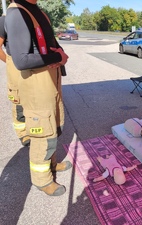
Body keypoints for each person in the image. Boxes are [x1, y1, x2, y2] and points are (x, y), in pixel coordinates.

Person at [5, 0, 70, 196]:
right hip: (36, 84)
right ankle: (42, 180)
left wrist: (60, 56)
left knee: (54, 126)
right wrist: (57, 58)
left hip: (49, 80)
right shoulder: (17, 12)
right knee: (43, 133)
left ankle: (51, 164)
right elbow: (21, 60)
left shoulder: (35, 10)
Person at [0, 4, 30, 147]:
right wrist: (10, 62)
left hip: (30, 66)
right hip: (15, 65)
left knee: (31, 99)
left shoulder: (29, 16)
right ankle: (23, 134)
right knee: (18, 102)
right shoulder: (5, 19)